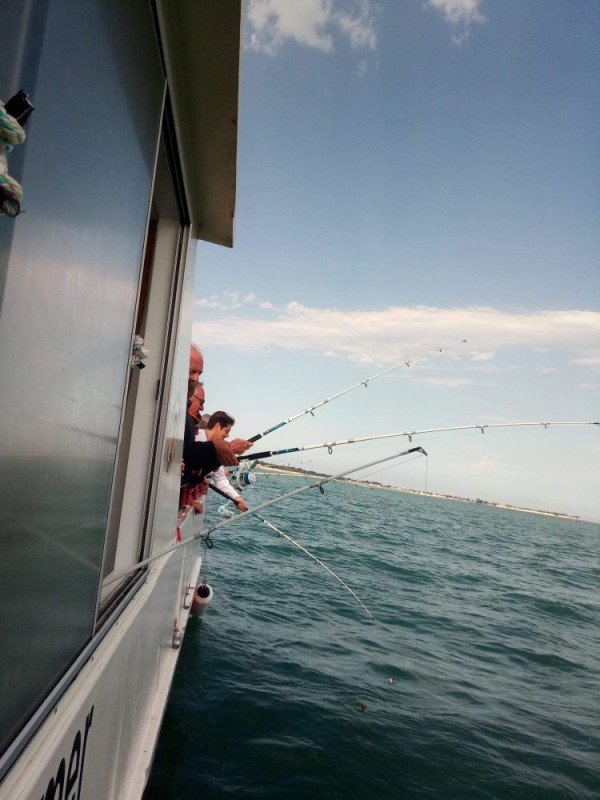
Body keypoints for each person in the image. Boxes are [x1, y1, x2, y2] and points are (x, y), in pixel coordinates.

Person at [197, 411, 251, 512]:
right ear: (217, 426)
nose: (228, 436)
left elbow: (220, 479)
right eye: (226, 431)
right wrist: (231, 448)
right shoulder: (194, 436)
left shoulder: (217, 449)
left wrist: (237, 497)